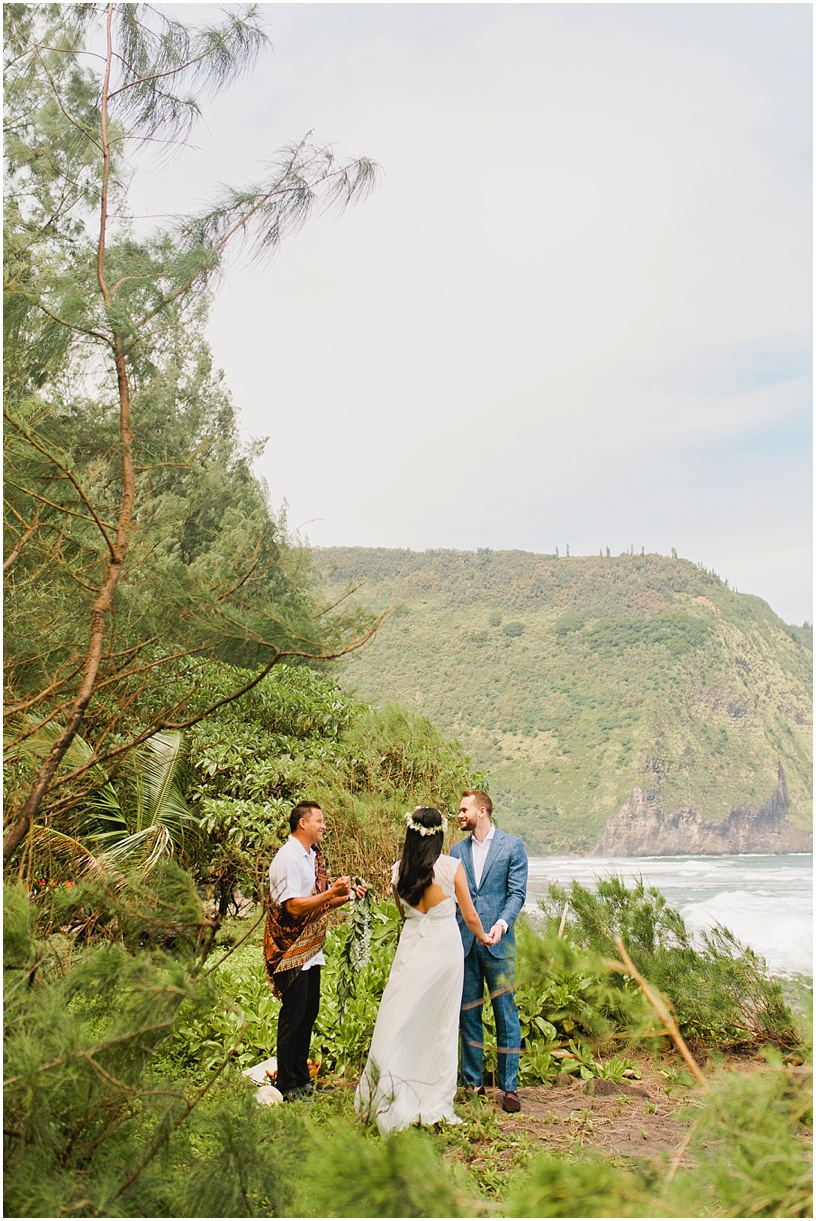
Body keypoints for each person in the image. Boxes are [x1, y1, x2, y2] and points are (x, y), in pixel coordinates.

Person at [354, 806, 496, 1134]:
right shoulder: (451, 867)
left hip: (411, 949)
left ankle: (389, 1091)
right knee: (441, 1025)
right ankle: (431, 1095)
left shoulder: (397, 871)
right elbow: (471, 916)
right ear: (440, 834)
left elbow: (404, 916)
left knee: (401, 1017)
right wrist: (484, 937)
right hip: (444, 951)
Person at [264, 800, 360, 1101]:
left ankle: (302, 1077)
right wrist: (331, 893)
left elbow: (321, 902)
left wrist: (348, 895)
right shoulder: (288, 858)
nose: (324, 825)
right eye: (319, 820)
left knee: (309, 1011)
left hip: (311, 947)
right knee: (293, 1013)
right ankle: (287, 1083)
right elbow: (292, 906)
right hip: (290, 947)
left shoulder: (311, 857)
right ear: (302, 823)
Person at [450, 789, 528, 1113]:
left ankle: (509, 1088)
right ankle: (473, 1084)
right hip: (465, 944)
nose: (459, 815)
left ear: (482, 811)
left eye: (464, 809)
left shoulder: (513, 846)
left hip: (499, 944)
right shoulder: (456, 850)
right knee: (468, 1013)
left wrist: (501, 924)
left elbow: (517, 893)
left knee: (505, 1014)